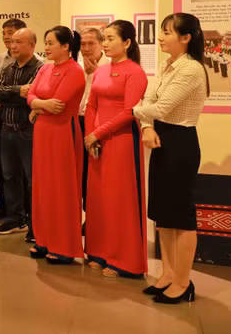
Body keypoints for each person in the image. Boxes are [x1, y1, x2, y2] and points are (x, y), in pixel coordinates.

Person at [133, 12, 209, 304]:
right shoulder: (167, 65)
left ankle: (182, 281)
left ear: (185, 37)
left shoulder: (190, 69)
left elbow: (160, 106)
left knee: (181, 216)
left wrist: (131, 113)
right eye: (162, 31)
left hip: (180, 143)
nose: (161, 37)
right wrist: (148, 125)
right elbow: (148, 103)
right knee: (164, 216)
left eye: (167, 32)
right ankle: (166, 274)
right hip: (162, 138)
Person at [83, 20, 148, 278]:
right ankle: (98, 251)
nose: (106, 44)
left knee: (119, 200)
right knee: (97, 200)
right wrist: (90, 134)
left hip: (120, 141)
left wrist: (98, 132)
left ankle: (124, 260)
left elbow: (129, 112)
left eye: (111, 39)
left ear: (128, 43)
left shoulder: (135, 72)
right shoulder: (100, 71)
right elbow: (91, 105)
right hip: (96, 142)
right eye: (105, 39)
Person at [26, 26, 85, 264]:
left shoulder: (75, 71)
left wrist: (38, 105)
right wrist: (40, 104)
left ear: (66, 46)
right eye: (46, 43)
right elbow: (30, 96)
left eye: (51, 43)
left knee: (62, 189)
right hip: (42, 133)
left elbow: (58, 104)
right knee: (43, 186)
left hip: (63, 133)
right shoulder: (45, 68)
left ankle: (64, 246)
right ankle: (44, 239)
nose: (47, 48)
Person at [0, 28, 42, 239]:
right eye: (11, 42)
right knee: (9, 176)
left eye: (18, 42)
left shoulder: (40, 69)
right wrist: (17, 91)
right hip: (7, 129)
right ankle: (15, 218)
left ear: (32, 45)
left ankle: (35, 224)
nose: (13, 46)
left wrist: (11, 94)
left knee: (32, 179)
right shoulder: (8, 67)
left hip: (28, 131)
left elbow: (34, 95)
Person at [0, 18, 27, 222]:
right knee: (3, 166)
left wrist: (9, 93)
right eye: (4, 32)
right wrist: (12, 93)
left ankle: (23, 211)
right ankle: (4, 206)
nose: (6, 37)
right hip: (0, 116)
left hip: (22, 120)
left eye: (10, 32)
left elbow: (29, 95)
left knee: (22, 167)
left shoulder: (34, 61)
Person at [78, 27, 110, 227]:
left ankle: (97, 217)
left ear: (101, 45)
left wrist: (95, 73)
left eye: (91, 44)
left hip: (101, 126)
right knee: (81, 173)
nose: (87, 48)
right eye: (83, 44)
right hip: (79, 122)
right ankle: (86, 216)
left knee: (97, 174)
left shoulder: (108, 67)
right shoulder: (76, 67)